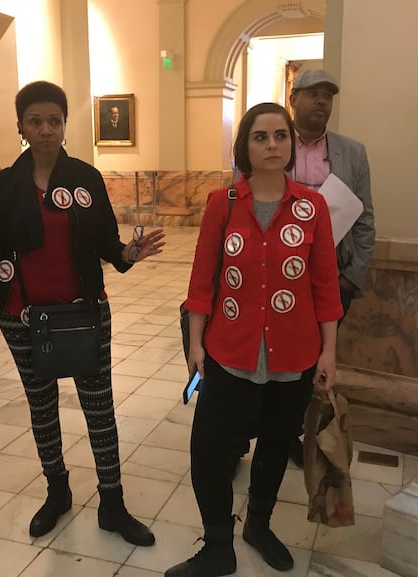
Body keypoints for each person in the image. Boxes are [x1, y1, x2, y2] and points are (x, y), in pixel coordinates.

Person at [0, 80, 164, 547]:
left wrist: (128, 252)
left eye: (55, 121)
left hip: (83, 311)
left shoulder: (85, 177)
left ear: (65, 126)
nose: (46, 129)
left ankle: (113, 502)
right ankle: (57, 491)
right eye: (35, 121)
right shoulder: (6, 184)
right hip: (22, 314)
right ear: (21, 126)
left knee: (99, 406)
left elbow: (106, 242)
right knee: (41, 405)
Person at [165, 103, 342, 577]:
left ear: (290, 144)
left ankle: (258, 526)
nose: (272, 145)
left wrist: (329, 351)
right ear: (244, 145)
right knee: (209, 447)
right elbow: (202, 281)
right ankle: (218, 544)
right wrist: (196, 344)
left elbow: (325, 285)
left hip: (295, 355)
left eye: (280, 136)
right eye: (260, 137)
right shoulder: (221, 204)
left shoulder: (312, 207)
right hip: (229, 351)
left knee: (274, 446)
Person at [233, 69, 375, 470]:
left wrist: (351, 277)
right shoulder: (269, 145)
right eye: (312, 93)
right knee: (261, 355)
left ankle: (290, 433)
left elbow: (365, 219)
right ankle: (244, 434)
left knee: (310, 366)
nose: (321, 101)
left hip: (331, 279)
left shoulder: (353, 152)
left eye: (327, 95)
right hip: (274, 279)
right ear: (293, 99)